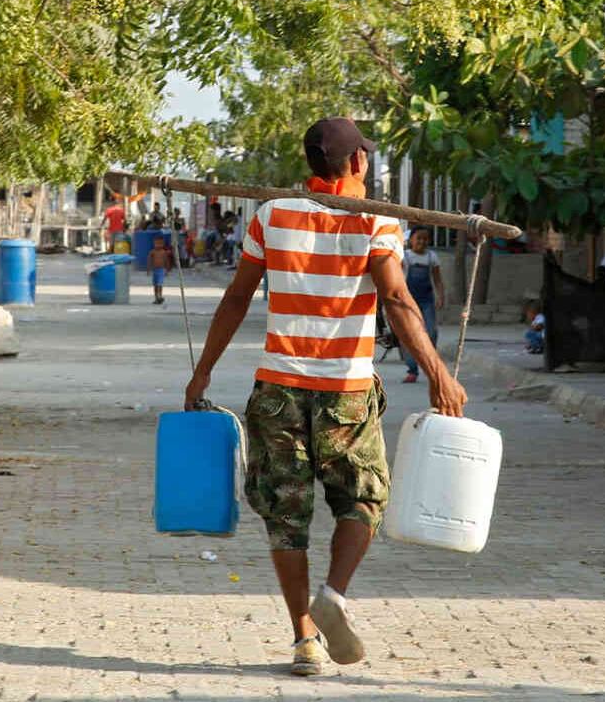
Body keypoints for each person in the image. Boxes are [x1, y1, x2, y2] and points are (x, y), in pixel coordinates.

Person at [184, 116, 467, 677]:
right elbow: (397, 300)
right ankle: (334, 595)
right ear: (358, 163)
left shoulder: (273, 214)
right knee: (363, 500)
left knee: (285, 518)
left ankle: (304, 640)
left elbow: (237, 298)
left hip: (278, 391)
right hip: (348, 392)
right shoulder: (377, 223)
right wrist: (435, 369)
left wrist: (203, 372)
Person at [400, 226, 445, 383]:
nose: (422, 241)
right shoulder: (405, 257)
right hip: (408, 300)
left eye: (425, 239)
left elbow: (437, 280)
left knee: (431, 332)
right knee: (408, 335)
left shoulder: (431, 257)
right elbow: (398, 279)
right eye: (418, 238)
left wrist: (441, 296)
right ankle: (412, 369)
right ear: (411, 240)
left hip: (427, 300)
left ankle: (429, 363)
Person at [148, 235, 171, 305]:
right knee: (155, 285)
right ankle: (156, 298)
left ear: (163, 244)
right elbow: (149, 260)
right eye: (156, 243)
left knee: (159, 284)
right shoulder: (152, 252)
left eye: (160, 243)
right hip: (155, 270)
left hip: (161, 270)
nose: (158, 245)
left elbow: (167, 261)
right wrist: (148, 269)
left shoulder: (164, 252)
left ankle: (160, 296)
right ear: (154, 244)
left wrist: (167, 270)